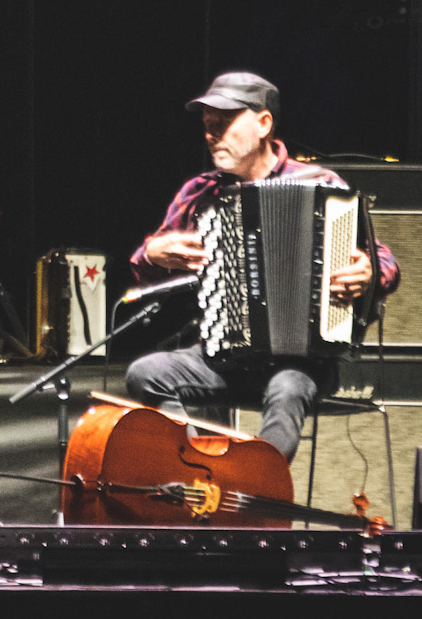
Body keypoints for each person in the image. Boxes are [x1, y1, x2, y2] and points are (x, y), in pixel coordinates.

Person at [122, 72, 399, 460]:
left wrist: (369, 272)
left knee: (287, 391)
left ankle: (254, 486)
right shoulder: (200, 193)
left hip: (302, 364)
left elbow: (384, 260)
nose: (211, 134)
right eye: (208, 125)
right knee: (144, 374)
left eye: (223, 123)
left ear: (264, 123)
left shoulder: (322, 184)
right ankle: (197, 469)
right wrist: (153, 253)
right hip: (221, 359)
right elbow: (144, 267)